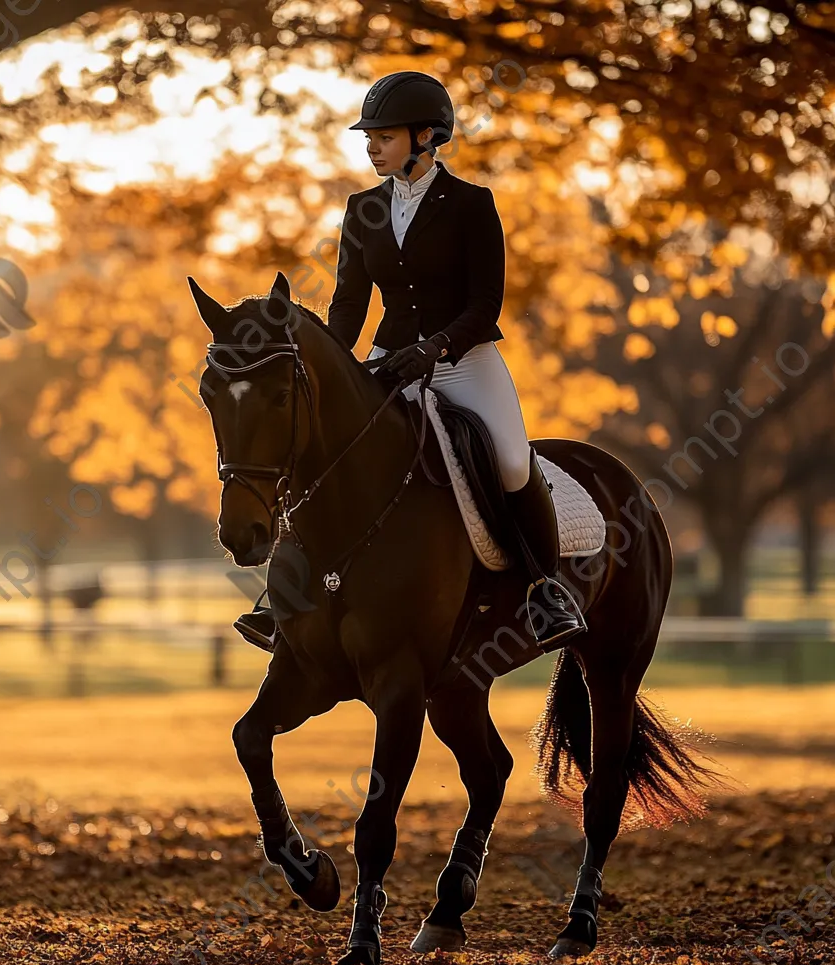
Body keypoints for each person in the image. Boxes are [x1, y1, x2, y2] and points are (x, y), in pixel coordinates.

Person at [233, 70, 586, 654]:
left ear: (426, 137)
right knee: (322, 450)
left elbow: (484, 304)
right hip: (388, 359)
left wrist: (435, 347)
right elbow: (348, 305)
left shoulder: (472, 204)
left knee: (510, 460)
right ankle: (286, 597)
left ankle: (543, 590)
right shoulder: (362, 208)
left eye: (384, 136)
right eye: (368, 137)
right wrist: (329, 368)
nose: (371, 145)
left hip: (463, 359)